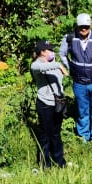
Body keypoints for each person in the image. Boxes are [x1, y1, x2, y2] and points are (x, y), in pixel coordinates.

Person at [62, 12, 92, 144]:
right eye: (81, 26)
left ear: (90, 26)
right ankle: (83, 136)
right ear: (77, 26)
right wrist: (70, 68)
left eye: (86, 27)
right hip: (79, 83)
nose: (84, 29)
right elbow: (62, 54)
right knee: (82, 111)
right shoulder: (70, 38)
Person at [29, 39, 68, 168]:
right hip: (45, 104)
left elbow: (60, 81)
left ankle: (60, 160)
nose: (52, 52)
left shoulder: (53, 62)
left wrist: (56, 64)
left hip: (58, 103)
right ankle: (45, 164)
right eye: (49, 50)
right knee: (46, 135)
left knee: (56, 133)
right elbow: (42, 67)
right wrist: (58, 65)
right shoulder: (36, 65)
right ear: (42, 52)